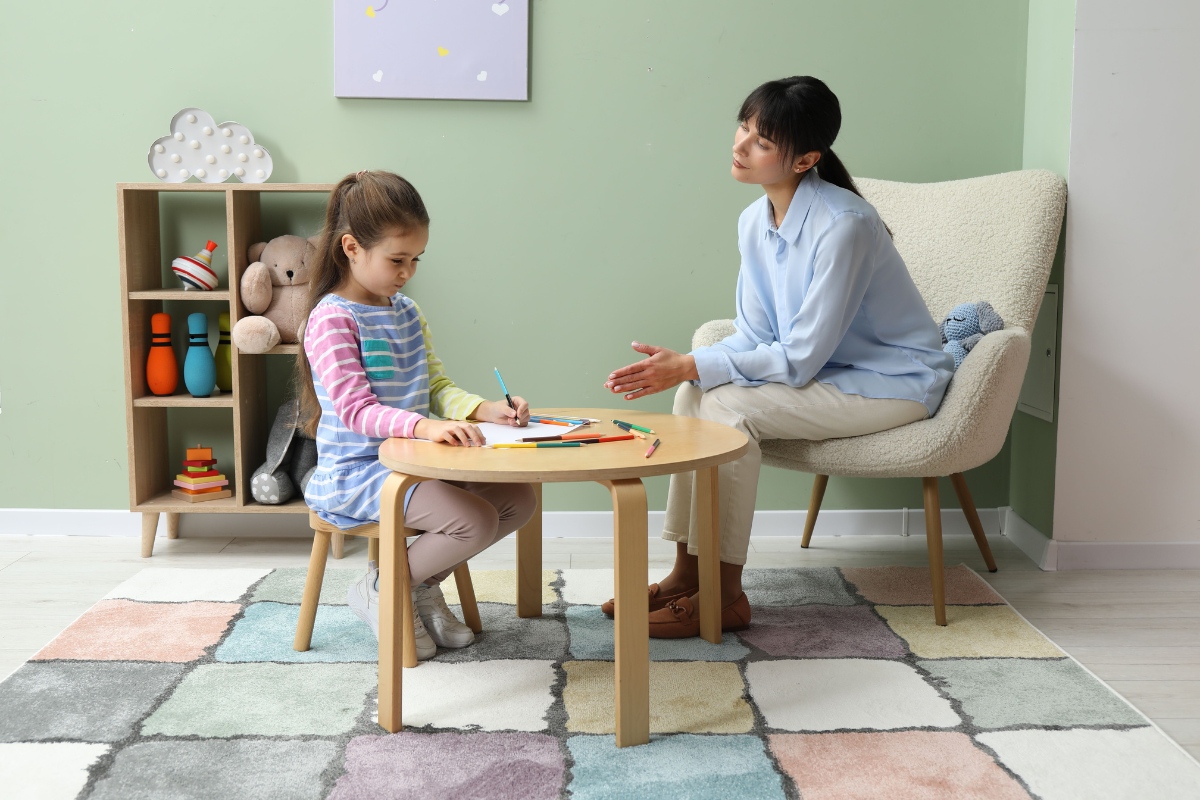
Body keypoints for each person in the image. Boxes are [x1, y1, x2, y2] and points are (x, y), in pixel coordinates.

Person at [602, 76, 955, 638]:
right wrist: (686, 366)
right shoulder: (754, 221)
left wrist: (695, 362)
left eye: (762, 140)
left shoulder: (846, 226)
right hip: (833, 377)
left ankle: (725, 595)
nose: (740, 144)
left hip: (893, 384)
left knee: (724, 410)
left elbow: (801, 358)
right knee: (692, 394)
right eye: (744, 126)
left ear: (805, 159)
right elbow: (753, 334)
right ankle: (686, 576)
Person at [296, 170, 537, 659]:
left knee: (518, 499)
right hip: (360, 472)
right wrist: (426, 426)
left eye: (416, 260)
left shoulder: (406, 311)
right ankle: (384, 587)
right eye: (397, 259)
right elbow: (356, 409)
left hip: (417, 462)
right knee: (471, 520)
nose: (407, 272)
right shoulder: (331, 320)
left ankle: (415, 582)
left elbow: (435, 386)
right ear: (351, 248)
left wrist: (485, 409)